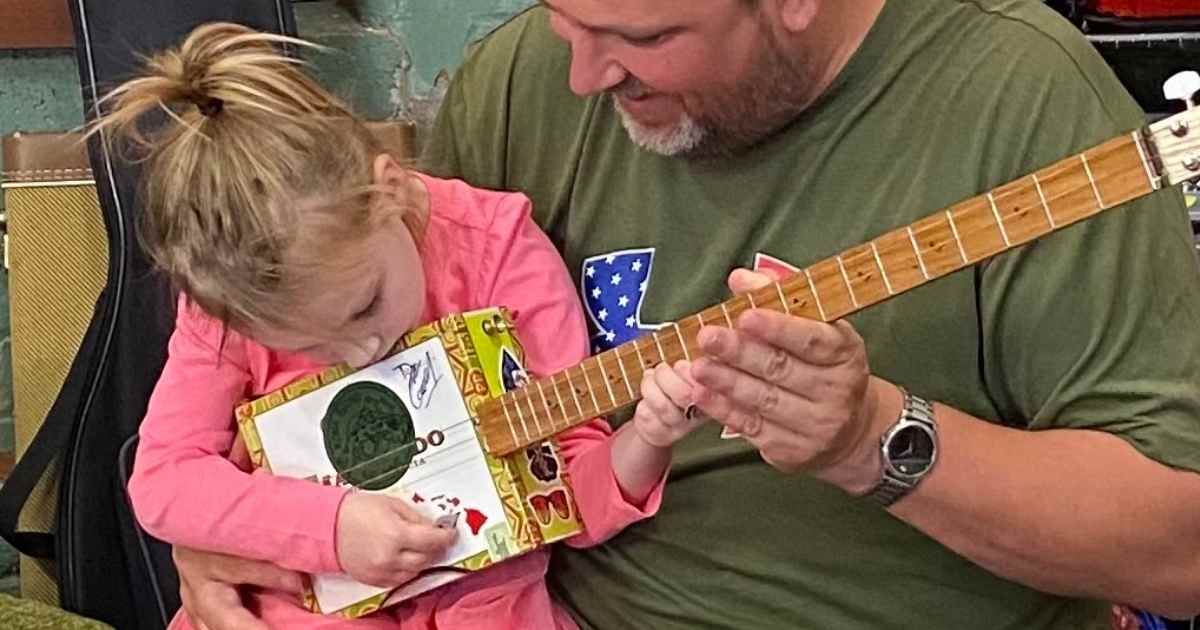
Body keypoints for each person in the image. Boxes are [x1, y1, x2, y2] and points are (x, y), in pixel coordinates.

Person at [174, 1, 1200, 629]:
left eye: (643, 36)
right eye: (562, 20)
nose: (583, 75)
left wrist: (871, 442)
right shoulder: (525, 80)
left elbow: (1177, 557)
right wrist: (239, 526)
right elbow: (352, 381)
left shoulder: (1023, 95)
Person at [102, 22, 708, 630]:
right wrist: (331, 527)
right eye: (309, 345)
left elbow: (566, 483)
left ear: (388, 189)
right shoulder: (226, 304)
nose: (360, 350)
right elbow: (164, 481)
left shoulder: (497, 251)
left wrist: (646, 442)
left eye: (365, 305)